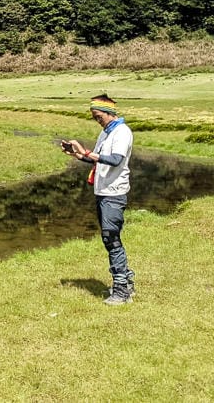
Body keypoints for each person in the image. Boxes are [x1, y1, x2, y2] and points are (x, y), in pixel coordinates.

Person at [63, 94, 135, 305]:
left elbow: (115, 160)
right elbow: (97, 159)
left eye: (98, 116)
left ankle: (122, 291)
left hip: (114, 192)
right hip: (102, 191)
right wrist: (77, 155)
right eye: (94, 117)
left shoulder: (122, 132)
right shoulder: (106, 132)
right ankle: (127, 279)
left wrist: (85, 151)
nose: (97, 120)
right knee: (109, 238)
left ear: (110, 113)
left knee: (111, 238)